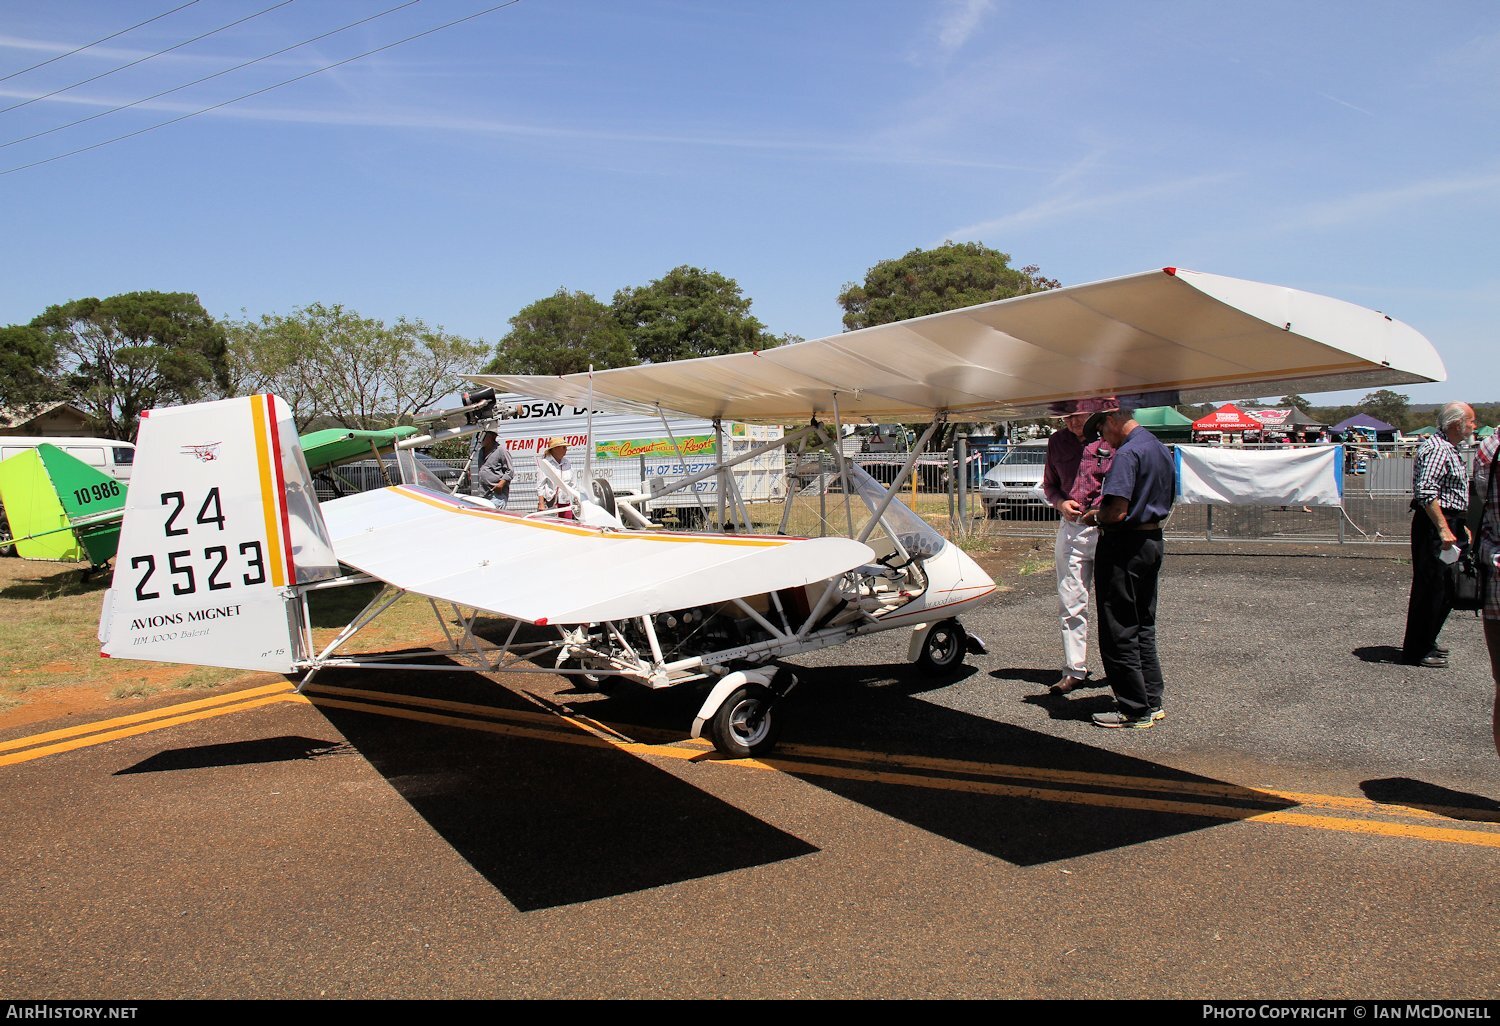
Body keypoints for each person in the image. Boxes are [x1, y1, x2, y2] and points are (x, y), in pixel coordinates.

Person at [1079, 407, 1175, 729]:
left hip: (1124, 547)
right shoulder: (1158, 448)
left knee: (1119, 627)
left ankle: (1134, 709)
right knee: (1143, 625)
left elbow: (1116, 511)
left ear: (1111, 420)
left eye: (1103, 432)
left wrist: (1094, 515)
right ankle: (1151, 700)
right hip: (1151, 541)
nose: (1104, 440)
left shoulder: (1127, 453)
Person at [1040, 398, 1117, 695]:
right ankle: (1074, 669)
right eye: (1065, 418)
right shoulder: (1057, 442)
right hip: (1072, 528)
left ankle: (1118, 667)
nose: (1071, 422)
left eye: (1076, 416)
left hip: (1107, 528)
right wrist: (1060, 502)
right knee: (1071, 599)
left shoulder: (1110, 438)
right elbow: (1050, 484)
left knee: (1112, 601)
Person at [1401, 402, 1476, 668]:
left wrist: (1458, 524)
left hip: (1448, 521)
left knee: (1446, 586)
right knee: (1432, 585)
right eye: (1471, 421)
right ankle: (1417, 649)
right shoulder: (1436, 448)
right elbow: (1426, 491)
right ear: (1457, 423)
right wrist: (1443, 527)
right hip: (1436, 525)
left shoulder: (1448, 448)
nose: (1473, 426)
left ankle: (1427, 640)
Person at [474, 430, 513, 510]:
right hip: (483, 494)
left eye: (484, 436)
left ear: (491, 437)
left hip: (496, 494)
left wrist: (501, 484)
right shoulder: (481, 451)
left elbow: (510, 471)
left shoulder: (501, 450)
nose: (480, 438)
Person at [536, 436, 576, 514]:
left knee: (567, 524)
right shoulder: (545, 463)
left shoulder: (568, 463)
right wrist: (541, 504)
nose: (566, 449)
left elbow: (573, 483)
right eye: (563, 447)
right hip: (551, 502)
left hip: (566, 501)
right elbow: (540, 485)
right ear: (555, 449)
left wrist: (575, 499)